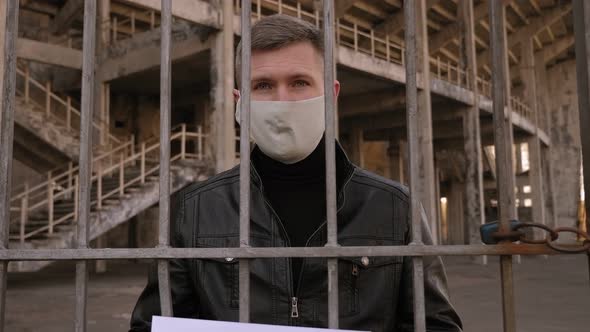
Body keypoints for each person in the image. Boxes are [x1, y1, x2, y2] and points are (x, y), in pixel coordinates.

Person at [130, 14, 462, 332]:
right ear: (239, 102)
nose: (282, 101)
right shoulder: (195, 209)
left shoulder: (395, 206)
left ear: (331, 95)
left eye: (299, 82)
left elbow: (435, 325)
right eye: (263, 85)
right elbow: (154, 325)